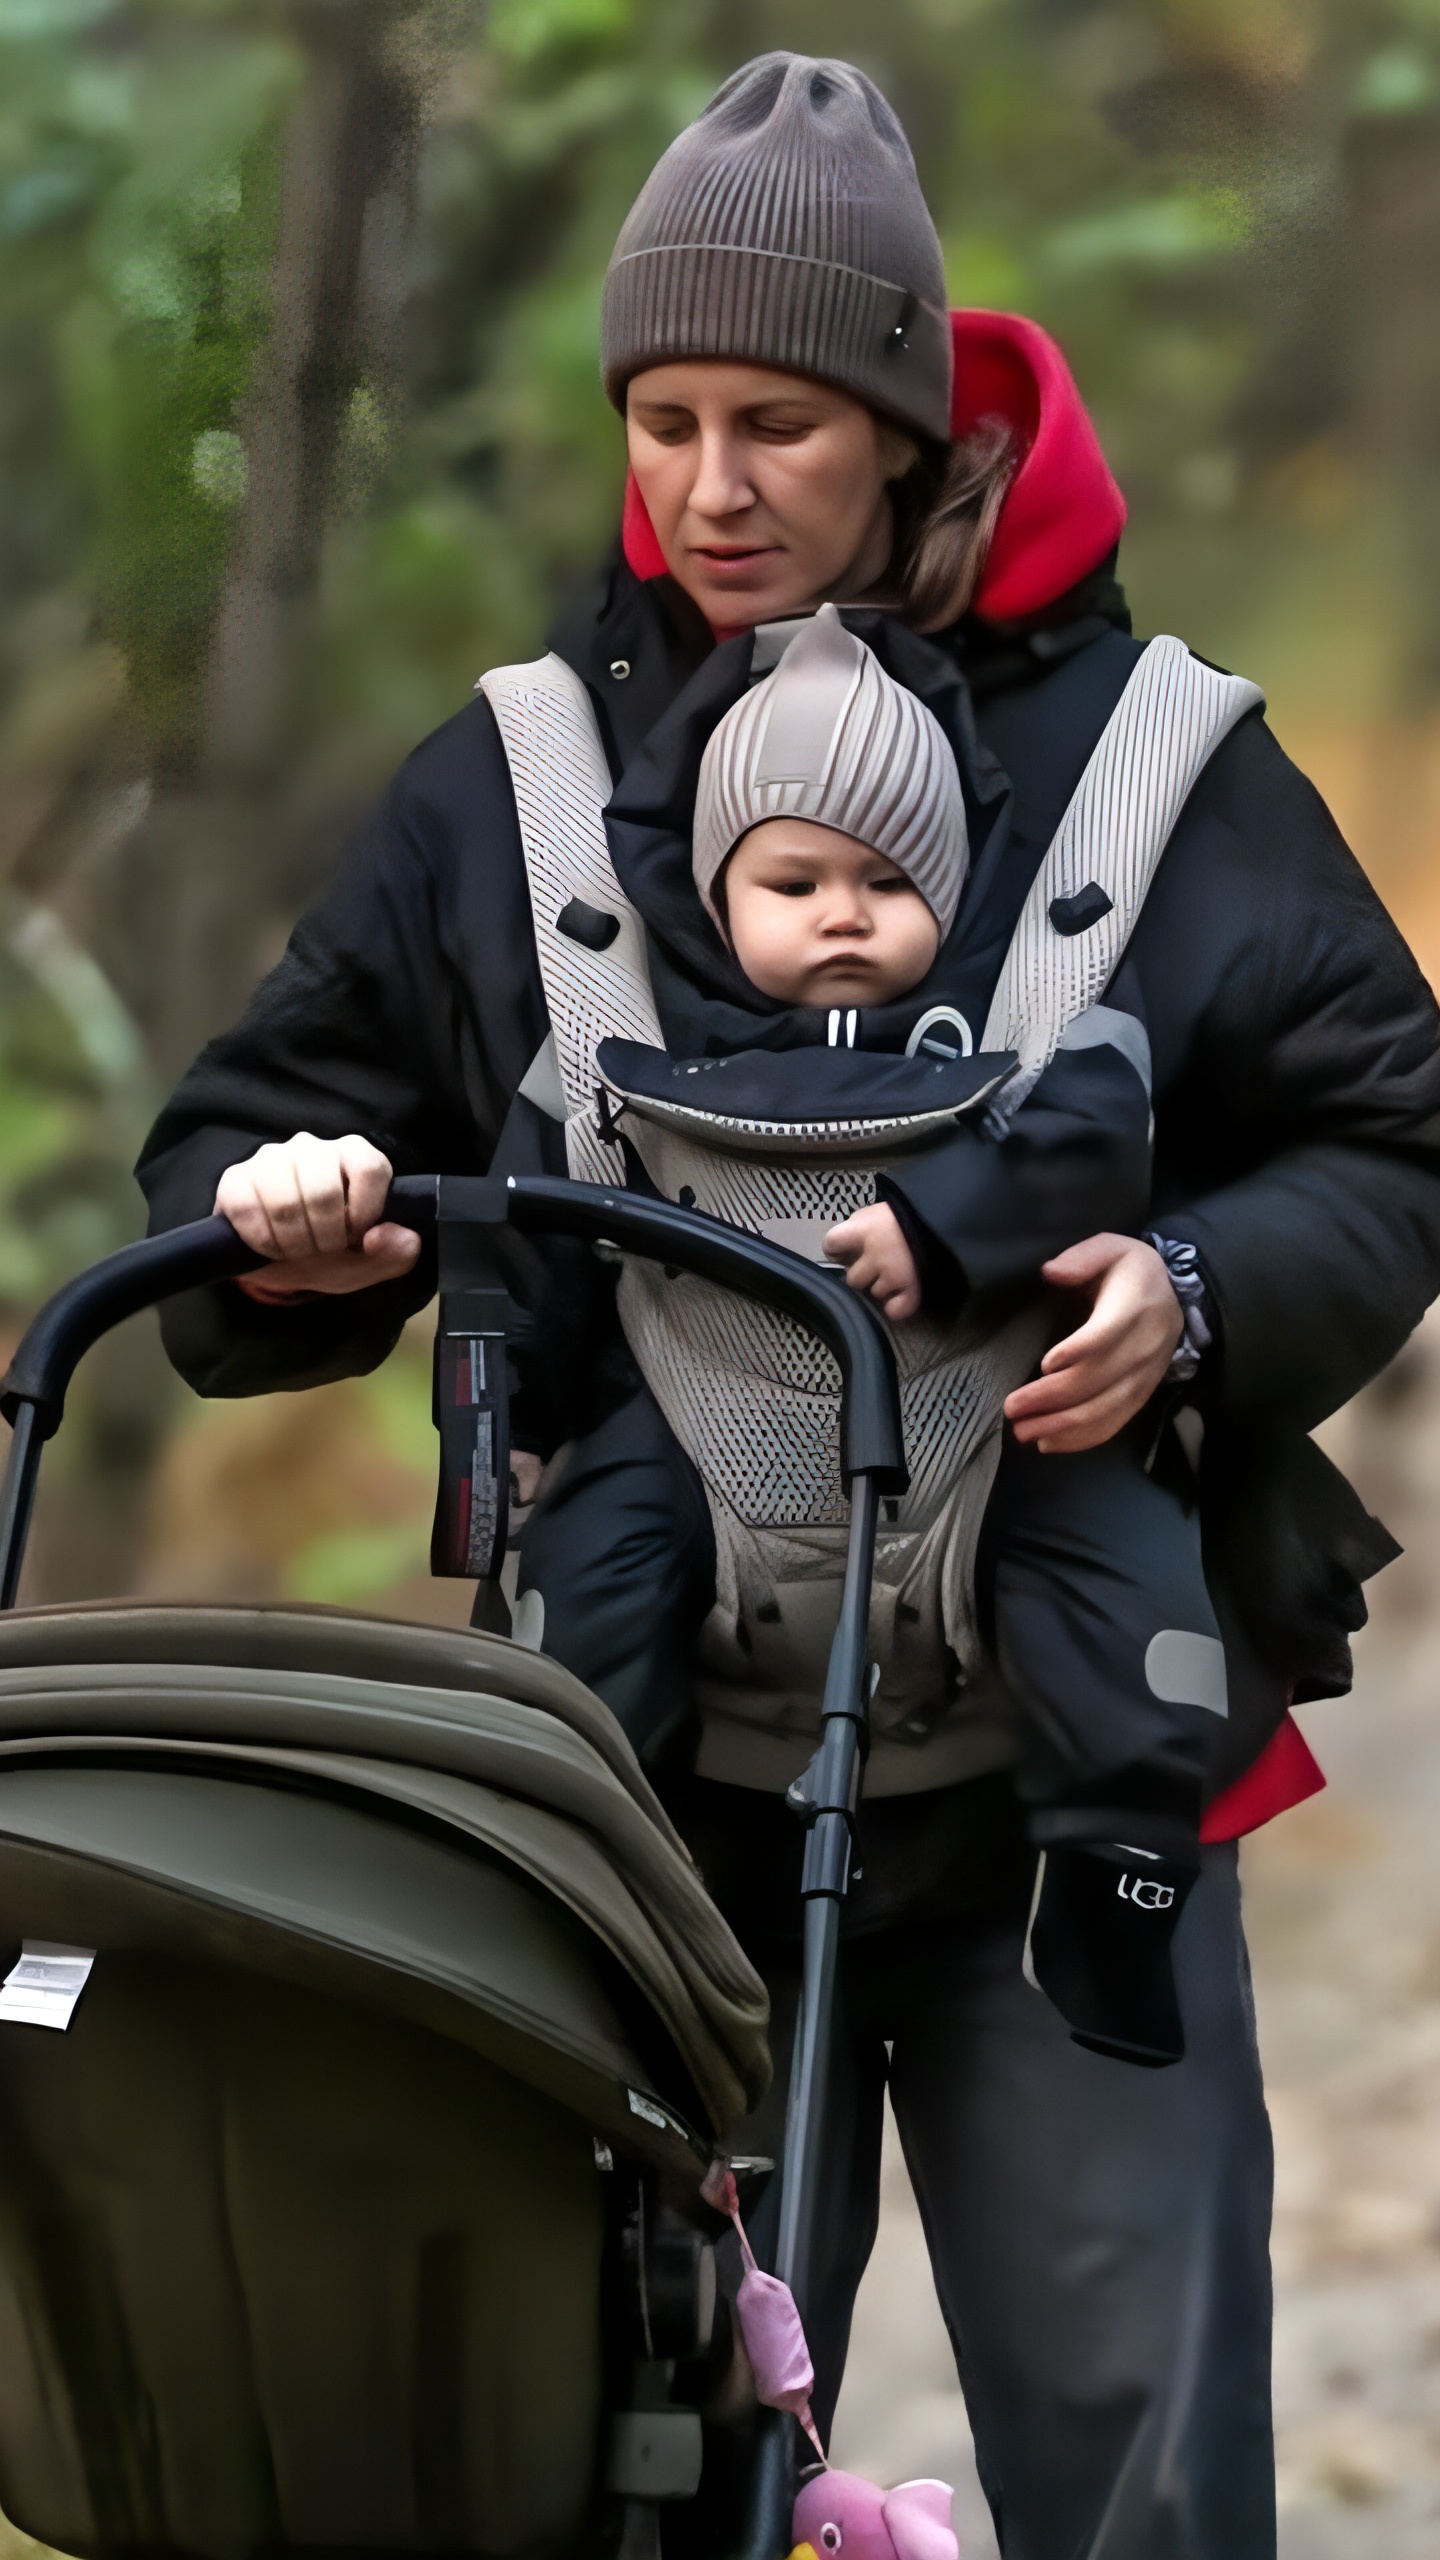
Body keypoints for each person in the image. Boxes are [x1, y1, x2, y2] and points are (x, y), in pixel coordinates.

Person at [137, 52, 1440, 2560]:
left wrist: (1194, 1286)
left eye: (779, 425)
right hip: (651, 1804)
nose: (713, 491)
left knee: (1152, 2475)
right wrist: (301, 1226)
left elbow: (1389, 1131)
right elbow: (236, 1156)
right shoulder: (517, 784)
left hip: (1076, 1779)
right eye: (662, 421)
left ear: (911, 420)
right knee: (639, 2455)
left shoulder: (1152, 764)